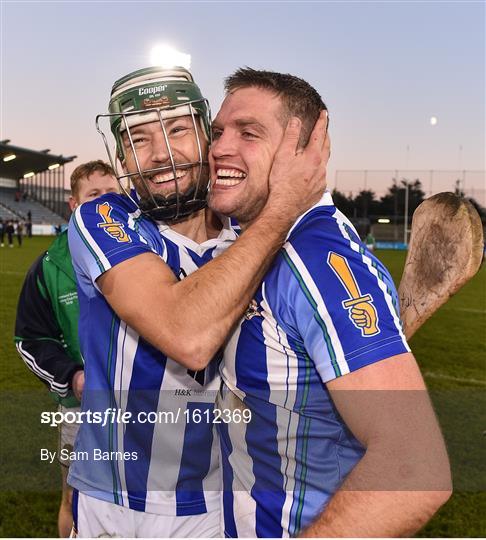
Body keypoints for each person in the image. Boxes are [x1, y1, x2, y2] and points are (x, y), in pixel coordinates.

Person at [67, 66, 328, 538]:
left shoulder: (252, 236)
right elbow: (186, 335)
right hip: (108, 498)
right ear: (121, 155)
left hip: (209, 506)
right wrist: (282, 208)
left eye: (178, 129)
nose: (162, 153)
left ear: (208, 137)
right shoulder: (103, 217)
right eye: (138, 138)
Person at [208, 68, 452, 537]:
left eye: (249, 133)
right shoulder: (251, 245)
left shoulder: (319, 260)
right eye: (218, 132)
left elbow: (414, 467)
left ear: (306, 151)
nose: (219, 147)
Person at [14, 160, 119, 537]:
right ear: (74, 204)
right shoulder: (49, 266)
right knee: (74, 501)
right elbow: (29, 339)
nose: (105, 202)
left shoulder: (152, 247)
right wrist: (73, 377)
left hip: (148, 406)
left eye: (112, 193)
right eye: (94, 195)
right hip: (82, 409)